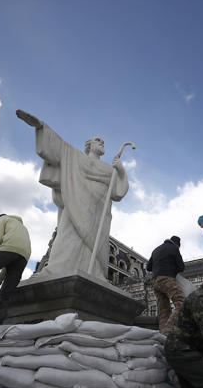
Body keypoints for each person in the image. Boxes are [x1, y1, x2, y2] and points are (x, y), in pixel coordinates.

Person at [17, 110, 129, 281]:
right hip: (76, 202)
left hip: (99, 212)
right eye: (98, 140)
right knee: (68, 235)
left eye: (103, 141)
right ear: (89, 145)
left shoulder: (109, 170)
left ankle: (94, 273)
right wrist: (40, 126)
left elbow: (117, 193)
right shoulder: (76, 157)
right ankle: (56, 270)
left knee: (95, 245)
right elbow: (59, 147)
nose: (102, 143)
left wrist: (121, 172)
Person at [146, 236, 186, 335]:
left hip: (155, 282)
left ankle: (163, 335)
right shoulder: (174, 248)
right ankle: (168, 330)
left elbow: (148, 267)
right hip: (167, 279)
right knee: (182, 303)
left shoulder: (156, 249)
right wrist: (172, 270)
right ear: (177, 244)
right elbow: (181, 267)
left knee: (163, 310)